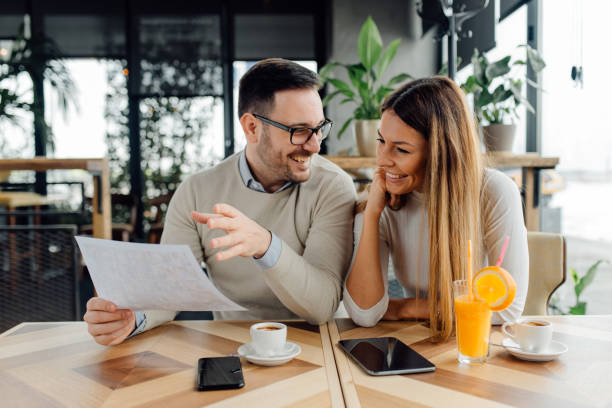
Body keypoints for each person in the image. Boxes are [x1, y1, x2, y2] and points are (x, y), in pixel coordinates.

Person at [84, 58, 357, 346]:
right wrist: (131, 318)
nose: (315, 145)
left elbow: (321, 306)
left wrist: (265, 245)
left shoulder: (333, 187)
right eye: (299, 131)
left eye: (319, 128)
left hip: (319, 348)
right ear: (252, 127)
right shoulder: (197, 192)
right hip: (233, 348)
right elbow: (171, 288)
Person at [343, 76, 528, 341]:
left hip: (476, 345)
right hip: (413, 341)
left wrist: (406, 307)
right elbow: (365, 314)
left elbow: (509, 308)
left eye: (402, 150)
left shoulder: (494, 192)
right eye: (381, 141)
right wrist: (371, 215)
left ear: (439, 153)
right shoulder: (379, 199)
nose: (383, 160)